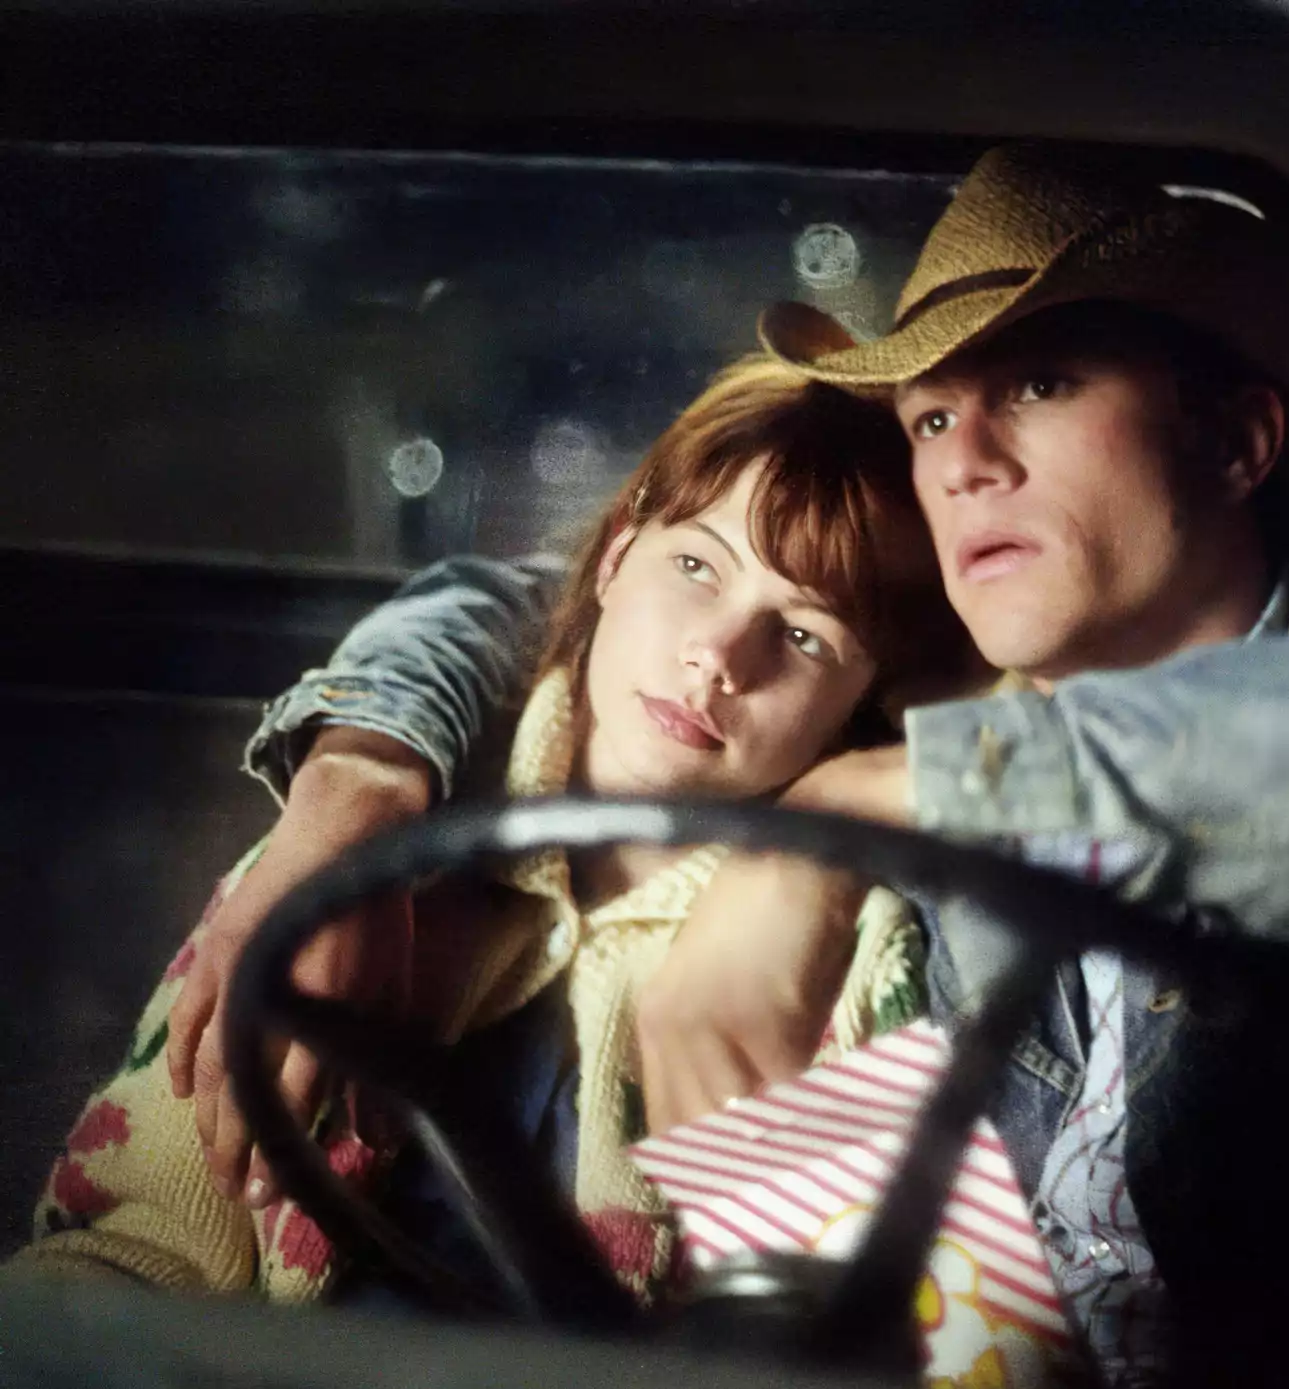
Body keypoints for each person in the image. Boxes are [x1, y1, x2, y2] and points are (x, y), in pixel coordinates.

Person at [165, 146, 1289, 1389]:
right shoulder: (918, 718)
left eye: (1039, 382)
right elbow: (583, 599)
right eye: (927, 417)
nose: (962, 457)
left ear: (1241, 441)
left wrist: (839, 819)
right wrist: (360, 777)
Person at [5, 357, 966, 1307]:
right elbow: (141, 1239)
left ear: (861, 704)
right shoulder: (357, 855)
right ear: (617, 555)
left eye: (802, 636)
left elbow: (817, 1340)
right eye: (695, 566)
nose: (717, 656)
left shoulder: (853, 964)